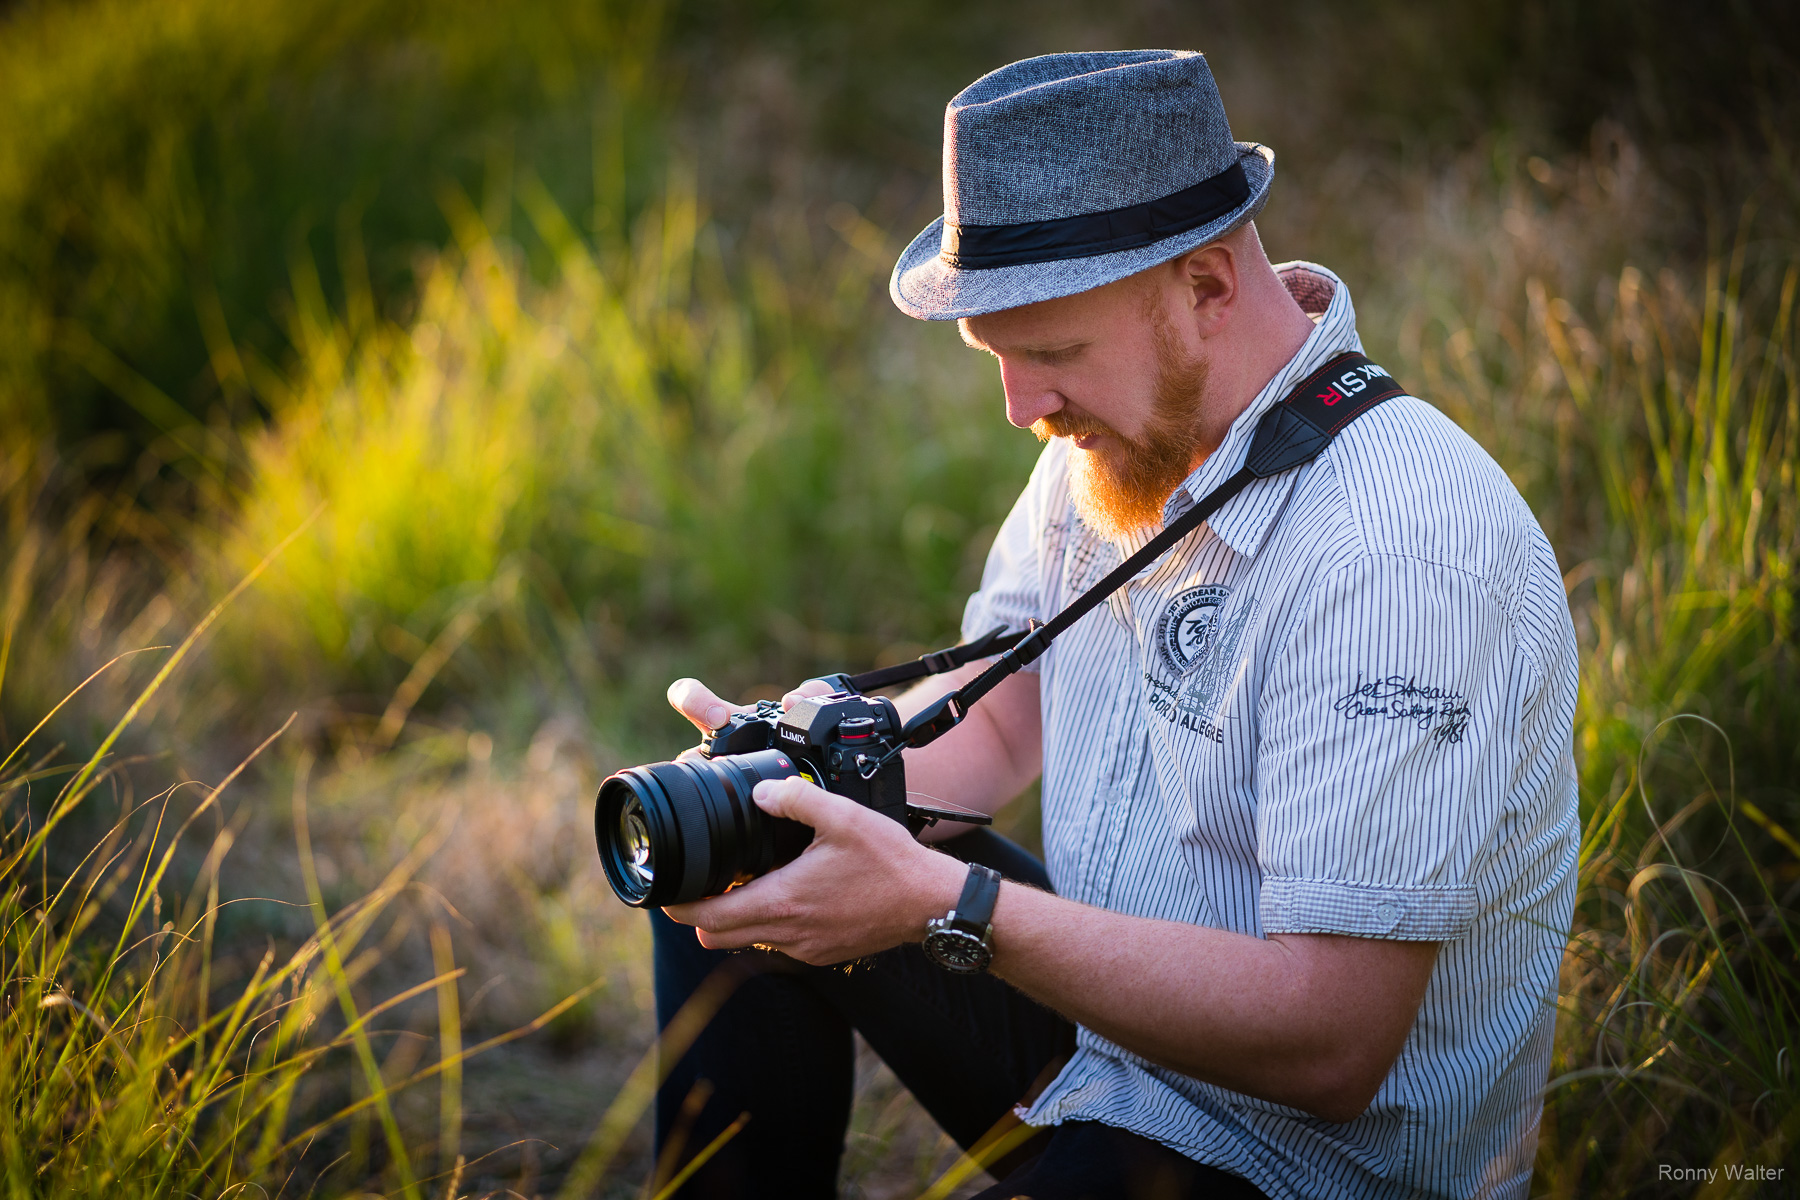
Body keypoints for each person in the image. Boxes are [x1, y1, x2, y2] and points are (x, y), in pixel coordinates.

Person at [649, 49, 1578, 1200]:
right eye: (996, 357)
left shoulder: (1397, 550)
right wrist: (805, 773)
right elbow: (994, 729)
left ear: (1206, 287)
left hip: (1291, 1161)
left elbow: (1333, 1043)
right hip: (1107, 1052)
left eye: (1049, 354)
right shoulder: (1113, 442)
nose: (1019, 409)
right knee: (739, 840)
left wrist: (946, 904)